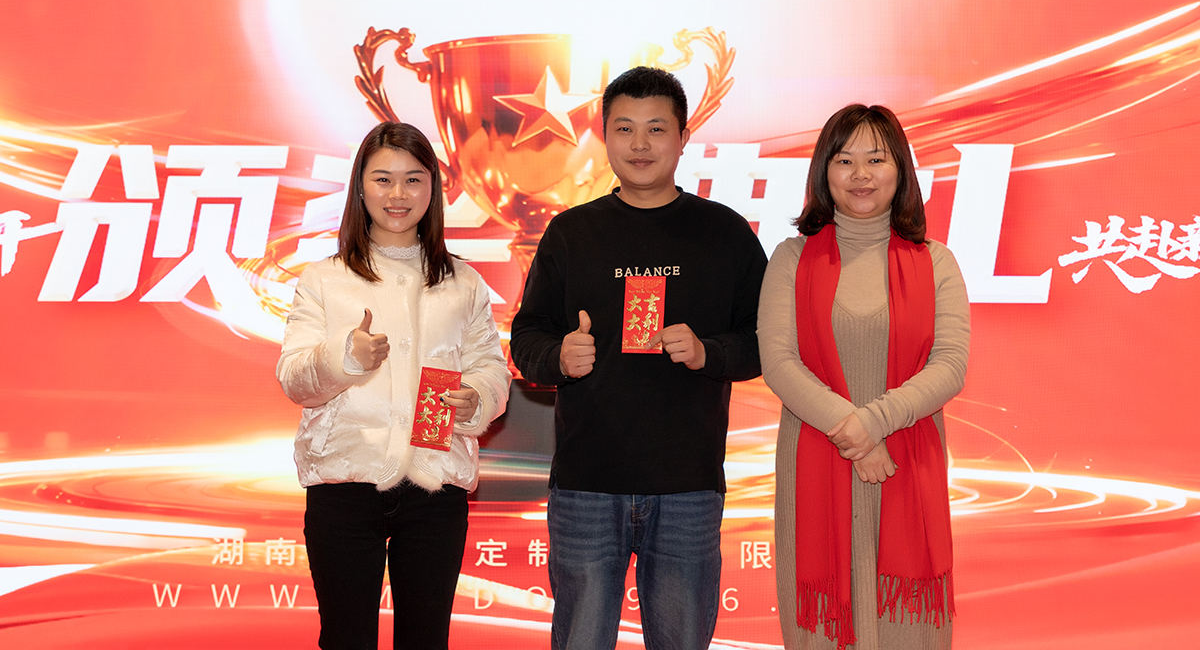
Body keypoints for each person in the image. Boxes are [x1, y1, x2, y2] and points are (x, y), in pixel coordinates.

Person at [509, 66, 768, 650]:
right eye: (625, 128)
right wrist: (558, 357)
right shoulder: (571, 233)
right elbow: (527, 337)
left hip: (687, 485)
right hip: (586, 484)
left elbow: (765, 341)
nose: (640, 144)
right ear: (604, 136)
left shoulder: (724, 233)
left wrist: (708, 352)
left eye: (657, 128)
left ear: (683, 137)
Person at [277, 121, 511, 650]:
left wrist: (476, 398)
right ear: (360, 187)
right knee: (345, 638)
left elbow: (491, 367)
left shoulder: (464, 281)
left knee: (426, 639)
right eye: (383, 179)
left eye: (413, 179)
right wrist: (345, 357)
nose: (398, 194)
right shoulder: (324, 278)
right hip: (344, 483)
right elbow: (294, 378)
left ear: (433, 188)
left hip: (435, 485)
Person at [758, 104, 970, 650]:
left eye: (876, 159)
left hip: (906, 463)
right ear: (823, 171)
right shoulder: (791, 258)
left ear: (900, 169)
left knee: (907, 627)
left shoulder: (936, 261)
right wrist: (852, 433)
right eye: (844, 159)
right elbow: (778, 361)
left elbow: (950, 365)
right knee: (823, 630)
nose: (860, 174)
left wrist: (873, 424)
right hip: (816, 460)